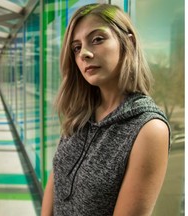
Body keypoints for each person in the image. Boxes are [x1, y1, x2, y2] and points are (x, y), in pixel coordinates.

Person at [41, 3, 170, 216]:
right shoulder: (80, 112)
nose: (85, 53)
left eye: (98, 39)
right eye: (76, 47)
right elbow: (57, 174)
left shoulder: (148, 129)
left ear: (127, 42)